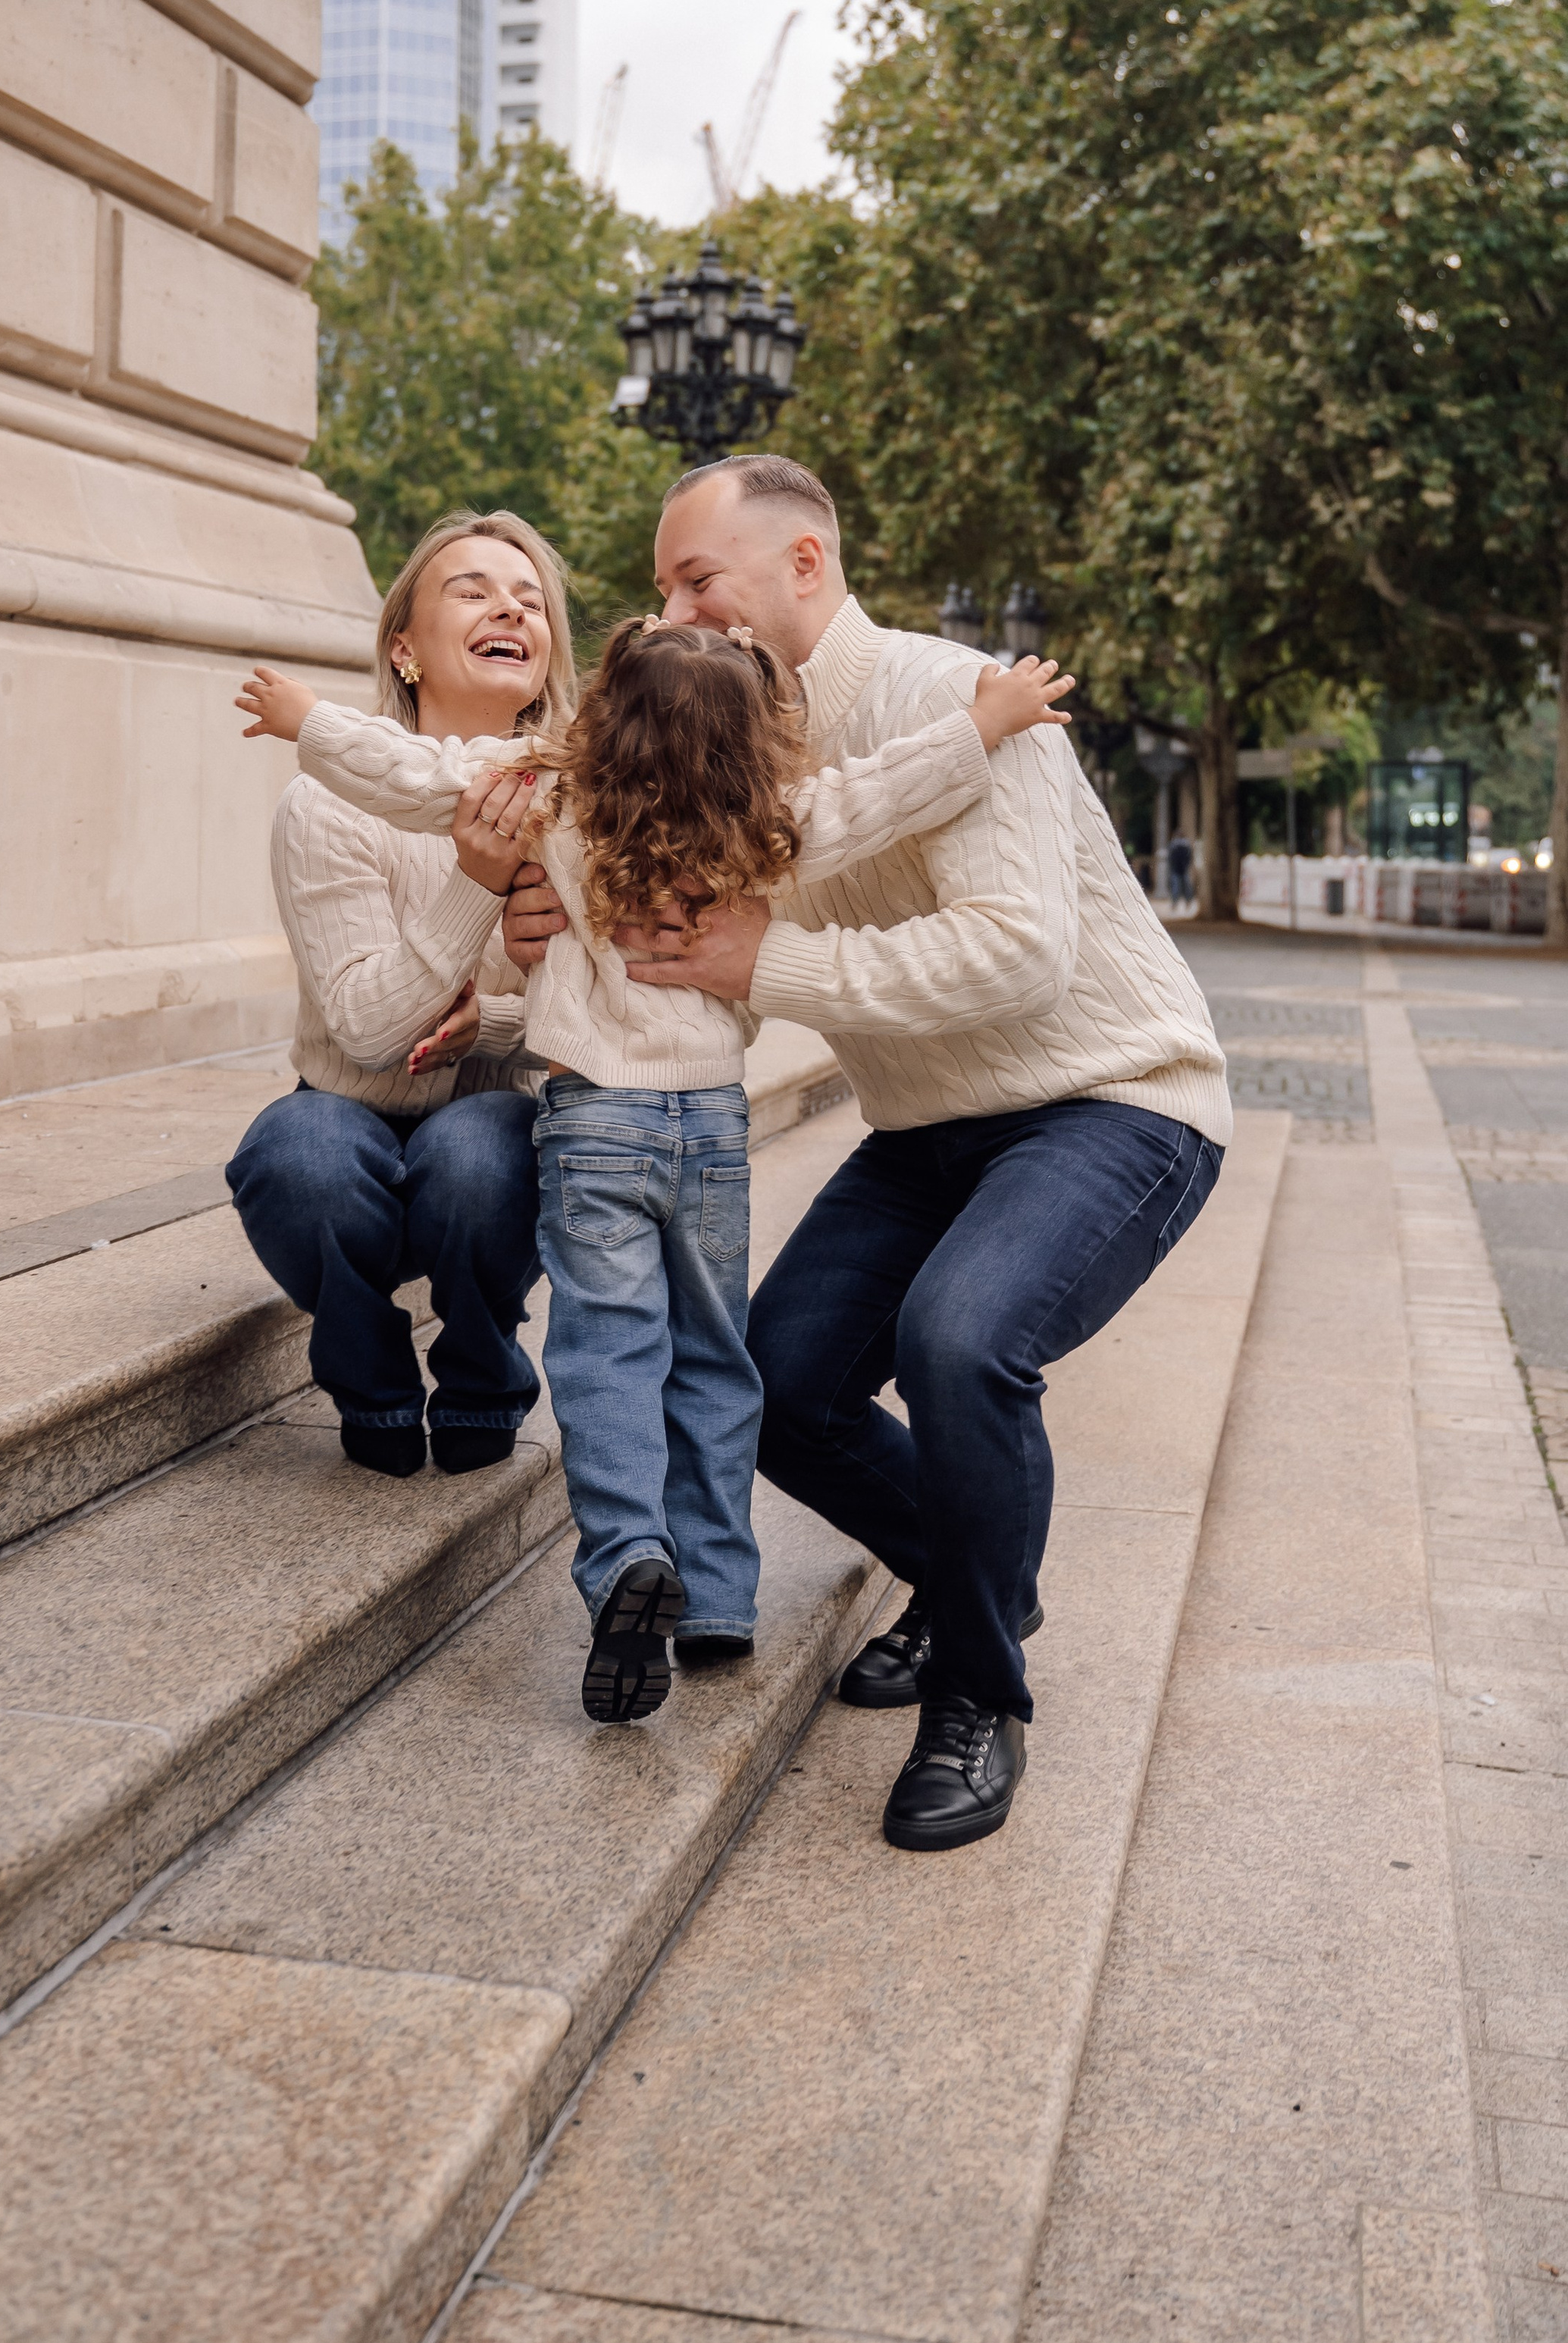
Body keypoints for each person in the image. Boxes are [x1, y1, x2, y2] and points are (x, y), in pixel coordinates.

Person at [503, 454, 1232, 1850]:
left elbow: (1020, 954)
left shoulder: (947, 697)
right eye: (664, 591)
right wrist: (519, 943)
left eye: (696, 578)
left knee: (960, 1339)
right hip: (925, 1128)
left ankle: (977, 1692)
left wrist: (765, 962)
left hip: (1113, 1098)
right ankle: (971, 1584)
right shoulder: (717, 734)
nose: (678, 612)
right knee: (780, 1385)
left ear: (806, 561)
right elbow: (645, 943)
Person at [238, 619, 1073, 1727]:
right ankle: (719, 1592)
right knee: (715, 1359)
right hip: (711, 1129)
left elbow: (407, 772)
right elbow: (880, 794)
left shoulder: (549, 795)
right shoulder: (764, 824)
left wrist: (303, 718)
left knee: (608, 1357)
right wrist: (983, 722)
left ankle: (629, 1553)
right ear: (750, 739)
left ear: (601, 714)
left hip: (594, 1125)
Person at [224, 511, 574, 1482]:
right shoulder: (329, 798)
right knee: (297, 1156)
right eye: (472, 589)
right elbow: (371, 1030)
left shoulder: (578, 804)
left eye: (530, 600)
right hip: (348, 1106)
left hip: (491, 1118)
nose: (510, 608)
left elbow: (606, 1015)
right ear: (404, 649)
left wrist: (491, 1023)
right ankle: (370, 1383)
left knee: (483, 1152)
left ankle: (481, 1380)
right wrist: (478, 881)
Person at [1166, 832, 1196, 911]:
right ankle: (1187, 903)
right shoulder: (1186, 846)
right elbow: (1189, 858)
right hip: (1184, 869)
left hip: (1176, 869)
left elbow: (1170, 858)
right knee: (1186, 888)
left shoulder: (1173, 845)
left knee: (1176, 888)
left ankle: (1175, 904)